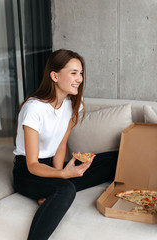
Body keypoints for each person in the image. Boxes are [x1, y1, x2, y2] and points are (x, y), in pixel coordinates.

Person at [13, 49, 118, 240]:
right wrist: (62, 176)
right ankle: (57, 193)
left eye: (81, 73)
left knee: (115, 159)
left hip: (53, 166)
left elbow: (60, 145)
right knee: (66, 189)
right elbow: (32, 165)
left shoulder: (73, 103)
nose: (79, 78)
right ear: (54, 75)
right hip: (28, 172)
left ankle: (52, 196)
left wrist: (61, 171)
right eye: (73, 73)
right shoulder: (33, 109)